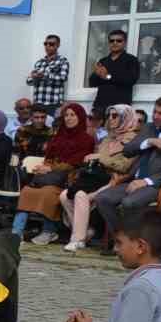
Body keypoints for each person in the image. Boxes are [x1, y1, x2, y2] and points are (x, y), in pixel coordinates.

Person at [95, 95, 161, 241]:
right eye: (154, 112)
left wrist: (147, 181)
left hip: (157, 185)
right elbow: (128, 151)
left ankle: (133, 241)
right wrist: (148, 141)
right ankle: (122, 238)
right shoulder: (148, 128)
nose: (156, 116)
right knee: (103, 198)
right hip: (133, 179)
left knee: (129, 203)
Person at [60, 104, 141, 252]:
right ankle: (87, 231)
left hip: (116, 180)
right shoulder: (108, 138)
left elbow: (124, 166)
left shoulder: (133, 140)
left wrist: (100, 157)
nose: (111, 119)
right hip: (97, 178)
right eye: (109, 116)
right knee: (64, 195)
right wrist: (102, 158)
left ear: (125, 118)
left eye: (115, 116)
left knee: (80, 195)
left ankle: (77, 239)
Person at [12, 102, 94, 243]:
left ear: (80, 117)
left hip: (69, 178)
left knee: (48, 193)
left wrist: (51, 168)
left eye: (72, 115)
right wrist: (45, 166)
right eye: (66, 115)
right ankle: (16, 231)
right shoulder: (59, 136)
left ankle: (49, 230)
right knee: (27, 191)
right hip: (52, 176)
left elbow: (77, 162)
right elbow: (49, 156)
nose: (68, 118)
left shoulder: (87, 139)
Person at [88, 29, 139, 111]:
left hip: (120, 106)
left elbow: (131, 80)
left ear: (124, 43)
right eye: (112, 41)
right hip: (100, 105)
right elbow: (92, 83)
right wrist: (96, 74)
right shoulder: (103, 61)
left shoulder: (131, 60)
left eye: (119, 40)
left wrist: (108, 76)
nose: (115, 43)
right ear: (109, 43)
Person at [26, 34, 70, 116]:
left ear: (58, 45)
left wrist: (44, 75)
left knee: (52, 128)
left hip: (53, 104)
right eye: (45, 44)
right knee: (37, 128)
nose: (48, 46)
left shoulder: (62, 61)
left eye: (51, 44)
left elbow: (63, 79)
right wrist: (34, 77)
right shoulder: (39, 62)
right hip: (38, 103)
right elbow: (29, 82)